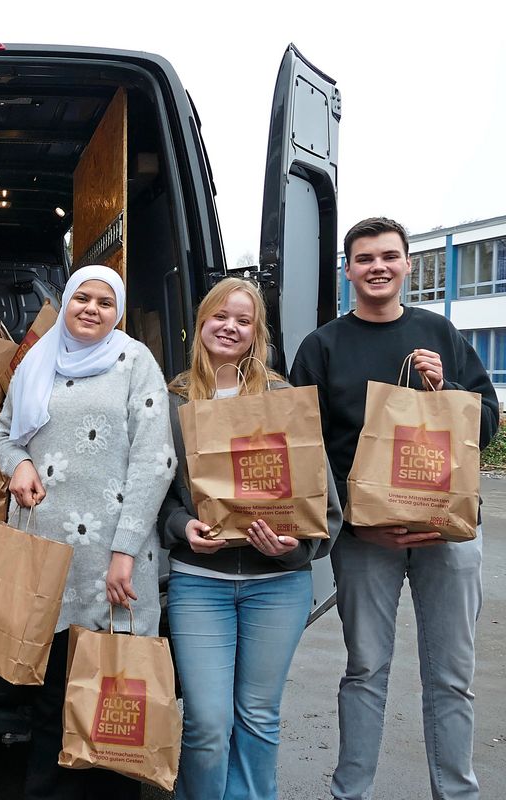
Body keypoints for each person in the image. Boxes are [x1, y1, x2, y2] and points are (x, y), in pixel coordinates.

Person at [290, 217, 499, 800]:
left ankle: (456, 793)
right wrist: (359, 524)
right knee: (365, 671)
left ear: (408, 264)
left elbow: (484, 427)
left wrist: (446, 390)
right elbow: (304, 448)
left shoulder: (440, 333)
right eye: (364, 258)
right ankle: (349, 792)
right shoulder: (323, 346)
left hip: (448, 534)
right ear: (348, 270)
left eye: (388, 256)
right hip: (366, 541)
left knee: (452, 678)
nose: (377, 267)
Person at [0, 264, 174, 800]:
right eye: (82, 298)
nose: (91, 309)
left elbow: (155, 461)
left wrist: (125, 551)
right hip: (46, 556)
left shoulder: (135, 362)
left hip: (113, 561)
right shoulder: (36, 362)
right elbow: (2, 435)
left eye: (104, 302)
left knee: (113, 694)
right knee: (51, 701)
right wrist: (19, 464)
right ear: (66, 301)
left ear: (117, 312)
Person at [158, 277, 340, 799]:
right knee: (207, 723)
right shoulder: (170, 400)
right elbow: (153, 493)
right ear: (201, 323)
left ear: (257, 333)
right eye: (220, 316)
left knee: (258, 716)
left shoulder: (283, 400)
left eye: (243, 319)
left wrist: (296, 547)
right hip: (200, 583)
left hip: (277, 585)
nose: (230, 327)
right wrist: (181, 527)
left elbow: (325, 505)